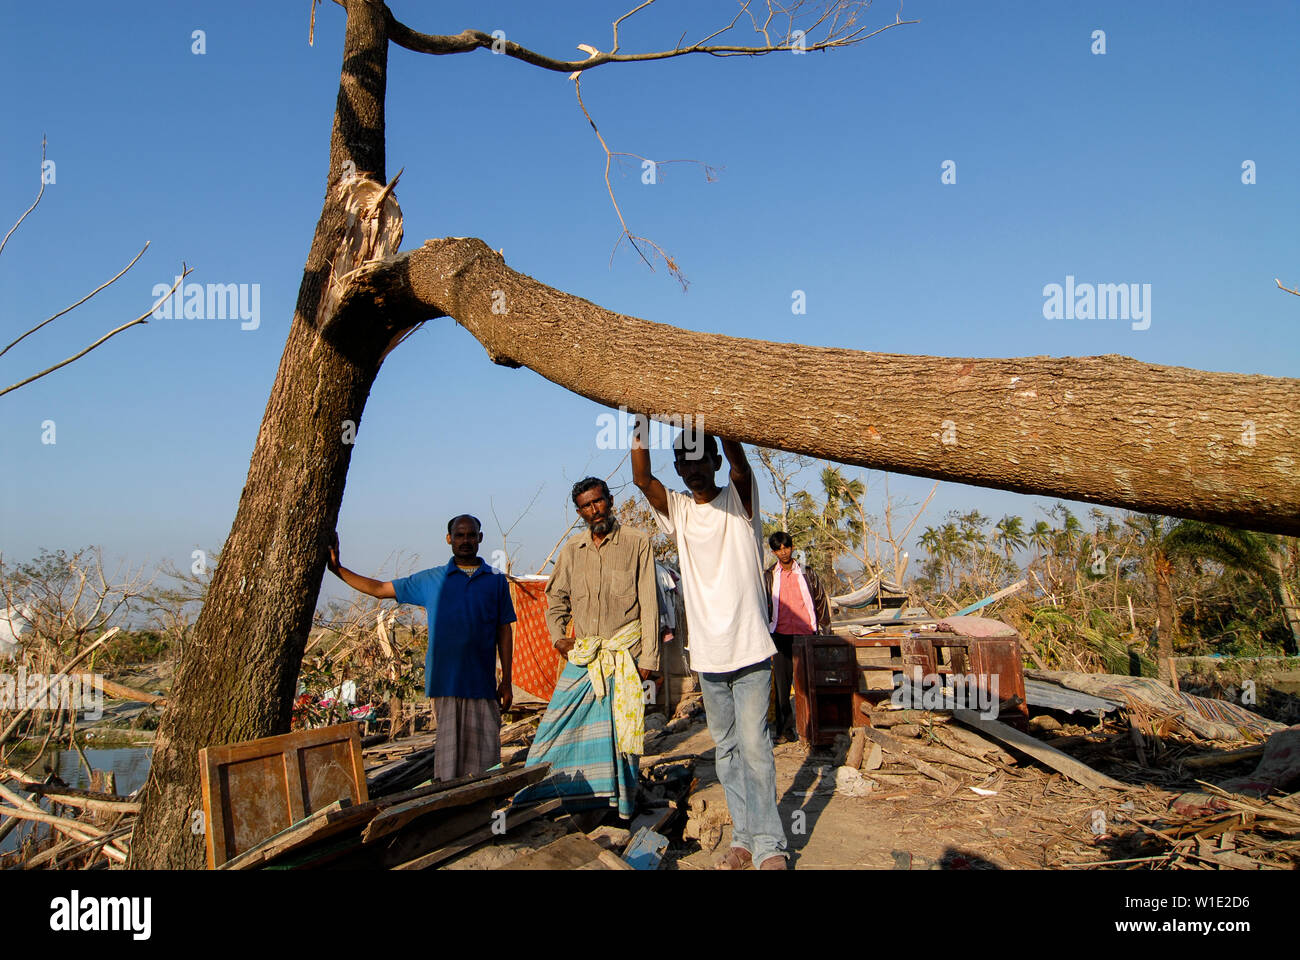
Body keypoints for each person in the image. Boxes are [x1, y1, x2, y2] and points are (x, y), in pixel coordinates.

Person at [632, 416, 788, 870]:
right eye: (684, 461)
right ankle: (742, 839)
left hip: (752, 649)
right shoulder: (679, 511)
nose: (694, 468)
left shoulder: (740, 500)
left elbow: (741, 463)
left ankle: (771, 846)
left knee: (756, 748)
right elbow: (642, 478)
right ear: (678, 468)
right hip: (707, 655)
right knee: (726, 750)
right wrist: (640, 418)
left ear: (715, 459)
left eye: (702, 458)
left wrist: (715, 410)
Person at [326, 515, 514, 781]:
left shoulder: (495, 582)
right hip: (444, 684)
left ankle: (482, 813)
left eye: (471, 535)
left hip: (482, 684)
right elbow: (380, 589)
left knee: (484, 762)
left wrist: (506, 681)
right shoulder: (431, 580)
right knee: (449, 766)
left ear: (480, 538)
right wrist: (338, 569)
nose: (465, 541)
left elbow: (504, 631)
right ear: (449, 539)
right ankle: (448, 816)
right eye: (459, 535)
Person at [515, 478, 659, 819]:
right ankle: (552, 797)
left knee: (622, 738)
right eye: (585, 506)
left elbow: (651, 605)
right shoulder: (571, 551)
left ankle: (620, 806)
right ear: (579, 511)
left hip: (626, 655)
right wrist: (558, 638)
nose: (593, 510)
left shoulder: (637, 542)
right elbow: (555, 599)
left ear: (610, 501)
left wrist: (649, 658)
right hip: (584, 657)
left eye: (598, 502)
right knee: (554, 728)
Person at [764, 531, 832, 743]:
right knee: (782, 685)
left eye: (786, 547)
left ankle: (812, 729)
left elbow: (820, 601)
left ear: (792, 547)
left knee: (809, 682)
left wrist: (825, 631)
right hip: (780, 635)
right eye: (779, 549)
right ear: (774, 552)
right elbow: (763, 605)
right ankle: (785, 731)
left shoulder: (807, 573)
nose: (783, 552)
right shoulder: (769, 576)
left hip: (805, 634)